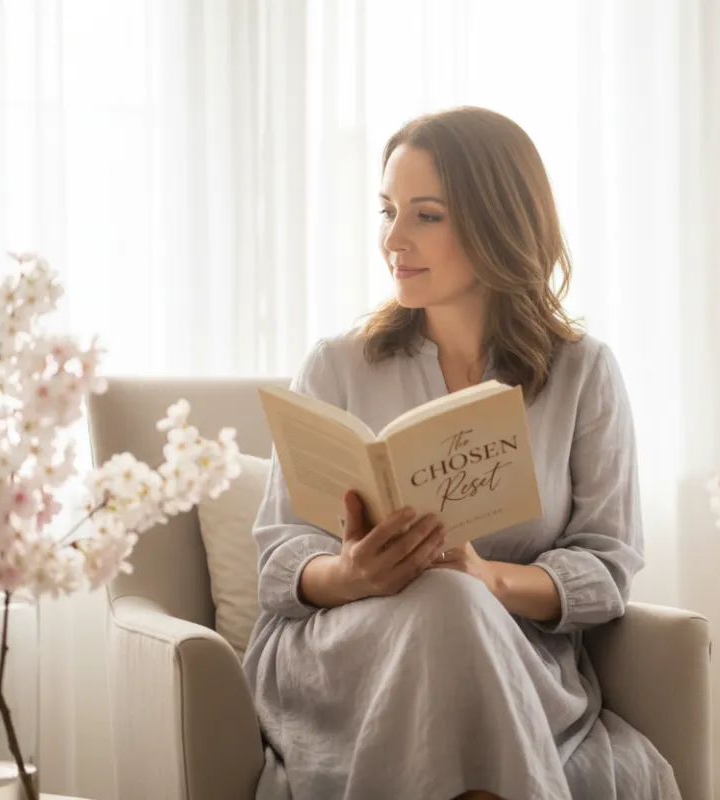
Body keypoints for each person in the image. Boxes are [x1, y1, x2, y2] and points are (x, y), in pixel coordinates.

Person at [242, 106, 681, 800]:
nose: (393, 239)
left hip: (509, 652)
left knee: (452, 595)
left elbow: (606, 566)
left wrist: (490, 579)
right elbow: (277, 560)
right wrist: (353, 573)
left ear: (498, 221)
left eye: (426, 215)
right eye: (386, 211)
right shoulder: (336, 365)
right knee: (442, 597)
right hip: (346, 654)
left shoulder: (582, 372)